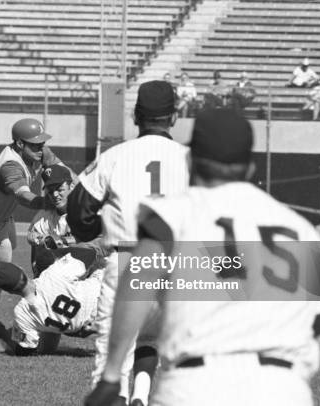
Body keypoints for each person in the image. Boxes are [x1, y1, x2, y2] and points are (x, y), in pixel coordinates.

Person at [85, 108, 320, 406]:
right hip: (283, 391)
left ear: (191, 160)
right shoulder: (301, 230)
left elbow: (137, 286)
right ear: (249, 168)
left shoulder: (172, 214)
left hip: (196, 385)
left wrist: (112, 374)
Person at [68, 80, 190, 405]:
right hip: (179, 267)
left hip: (127, 260)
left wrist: (94, 227)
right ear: (174, 117)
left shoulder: (115, 156)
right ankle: (143, 395)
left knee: (112, 367)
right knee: (154, 339)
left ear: (136, 116)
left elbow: (78, 211)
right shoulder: (192, 159)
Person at [0, 118, 69, 324]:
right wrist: (45, 202)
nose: (41, 148)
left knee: (7, 256)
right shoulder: (11, 166)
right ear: (20, 143)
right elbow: (22, 196)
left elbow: (62, 172)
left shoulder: (37, 151)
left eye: (42, 143)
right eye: (35, 144)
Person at [0, 248, 102, 355]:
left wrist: (2, 333)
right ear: (22, 269)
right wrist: (54, 254)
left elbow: (25, 350)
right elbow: (89, 254)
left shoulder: (22, 313)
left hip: (95, 324)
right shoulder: (53, 273)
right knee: (120, 249)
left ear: (9, 291)